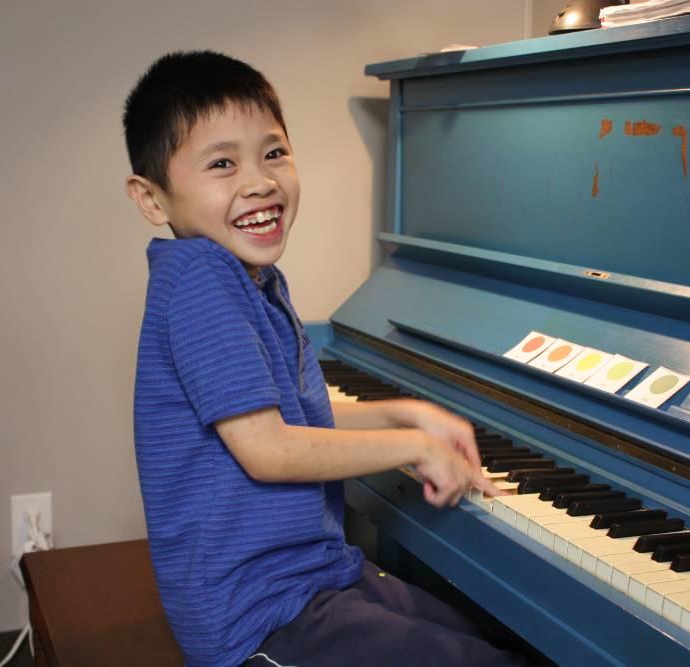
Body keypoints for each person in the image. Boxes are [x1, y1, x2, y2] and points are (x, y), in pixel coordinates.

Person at [123, 50, 531, 667]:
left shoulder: (253, 279)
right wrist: (415, 448)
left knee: (487, 641)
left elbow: (300, 419)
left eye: (274, 152)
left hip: (314, 576)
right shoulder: (200, 281)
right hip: (258, 618)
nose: (259, 180)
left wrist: (406, 414)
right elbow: (270, 450)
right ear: (153, 199)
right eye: (222, 163)